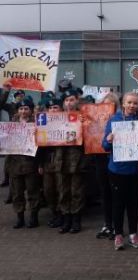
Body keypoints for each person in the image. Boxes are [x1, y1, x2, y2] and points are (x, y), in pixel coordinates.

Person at [102, 92, 138, 251]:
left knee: (133, 204)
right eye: (129, 102)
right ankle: (118, 234)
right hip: (117, 170)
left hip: (135, 170)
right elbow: (104, 146)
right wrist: (109, 140)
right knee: (118, 204)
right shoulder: (114, 120)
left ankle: (133, 234)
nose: (132, 105)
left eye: (135, 103)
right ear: (123, 104)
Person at [8, 97, 40, 228]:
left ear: (31, 110)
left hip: (30, 163)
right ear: (17, 111)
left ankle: (34, 217)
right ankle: (20, 217)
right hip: (15, 164)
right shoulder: (11, 124)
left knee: (33, 191)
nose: (23, 111)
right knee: (17, 193)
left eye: (26, 108)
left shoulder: (36, 124)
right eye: (21, 109)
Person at [58, 89, 87, 234]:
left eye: (71, 99)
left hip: (77, 160)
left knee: (77, 191)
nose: (69, 103)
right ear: (63, 103)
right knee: (64, 191)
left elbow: (90, 138)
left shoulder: (83, 116)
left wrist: (84, 125)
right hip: (61, 161)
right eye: (66, 100)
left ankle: (76, 220)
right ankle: (66, 219)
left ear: (77, 100)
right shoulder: (55, 118)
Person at [95, 92, 120, 240]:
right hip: (99, 158)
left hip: (115, 159)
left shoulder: (119, 119)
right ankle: (107, 223)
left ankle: (116, 226)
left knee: (115, 193)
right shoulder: (96, 119)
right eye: (105, 104)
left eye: (111, 105)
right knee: (104, 193)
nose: (107, 107)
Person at [37, 97, 64, 228]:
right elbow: (40, 147)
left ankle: (61, 214)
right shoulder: (42, 122)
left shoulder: (67, 122)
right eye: (51, 108)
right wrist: (40, 164)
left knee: (61, 189)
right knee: (48, 190)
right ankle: (54, 212)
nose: (53, 110)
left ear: (60, 109)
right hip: (47, 161)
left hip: (61, 161)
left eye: (56, 107)